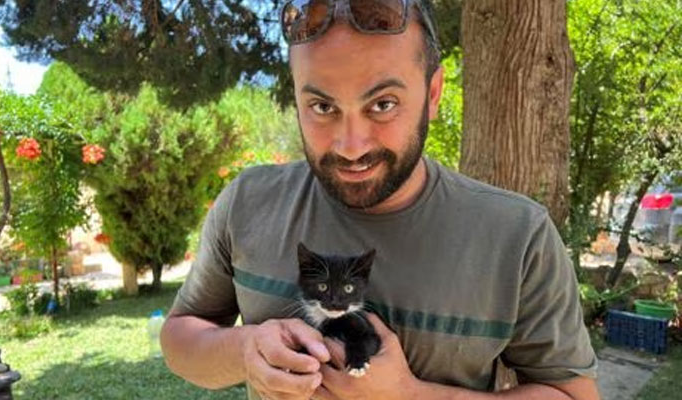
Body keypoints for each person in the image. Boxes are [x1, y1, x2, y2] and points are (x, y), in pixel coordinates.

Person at [161, 1, 600, 399]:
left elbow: (574, 395)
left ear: (432, 93)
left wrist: (409, 395)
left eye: (383, 103)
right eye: (321, 107)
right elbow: (180, 338)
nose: (351, 146)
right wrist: (245, 349)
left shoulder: (518, 235)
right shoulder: (248, 203)